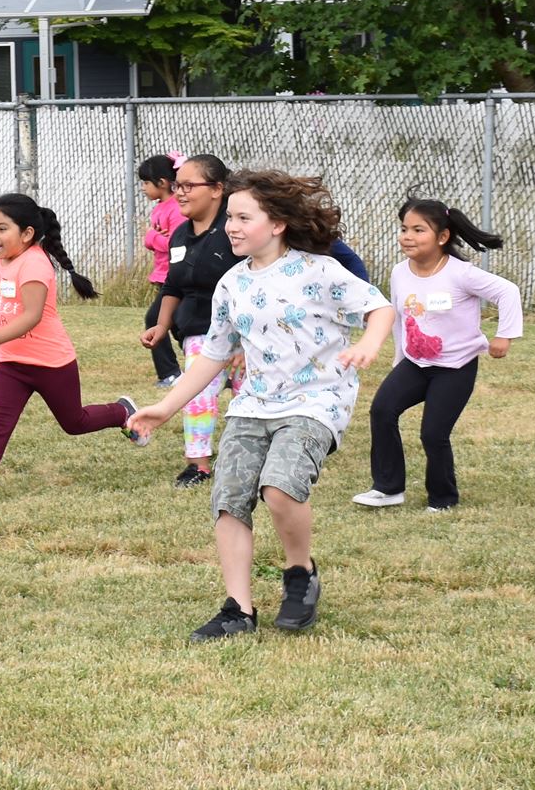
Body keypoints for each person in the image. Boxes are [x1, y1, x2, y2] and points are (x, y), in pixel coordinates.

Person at [129, 172, 392, 638]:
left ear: (277, 224)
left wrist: (370, 343)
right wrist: (165, 407)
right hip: (254, 404)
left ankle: (299, 574)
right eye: (229, 216)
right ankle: (238, 610)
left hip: (317, 401)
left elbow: (379, 307)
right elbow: (213, 353)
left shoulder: (319, 270)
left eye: (242, 217)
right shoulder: (232, 283)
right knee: (229, 498)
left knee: (279, 489)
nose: (230, 226)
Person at [0, 194, 146, 512]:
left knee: (74, 423)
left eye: (2, 228)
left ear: (27, 234)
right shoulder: (2, 259)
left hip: (51, 363)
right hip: (12, 363)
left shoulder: (35, 262)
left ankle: (121, 412)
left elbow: (31, 316)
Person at [354, 198, 522, 512]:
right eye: (404, 229)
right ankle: (388, 488)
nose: (407, 236)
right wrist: (399, 360)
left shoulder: (461, 274)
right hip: (416, 364)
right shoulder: (399, 272)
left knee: (433, 433)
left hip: (455, 368)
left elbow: (507, 291)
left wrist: (504, 336)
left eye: (419, 230)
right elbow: (401, 318)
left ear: (442, 237)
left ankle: (443, 498)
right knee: (382, 410)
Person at [143, 153, 234, 487]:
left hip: (243, 332)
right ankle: (199, 465)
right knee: (196, 393)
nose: (179, 192)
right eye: (177, 185)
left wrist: (241, 343)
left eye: (188, 186)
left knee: (247, 398)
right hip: (199, 331)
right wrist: (163, 325)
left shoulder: (235, 230)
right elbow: (173, 284)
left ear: (216, 190)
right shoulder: (180, 234)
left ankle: (252, 457)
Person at [137, 153, 186, 386]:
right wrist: (156, 237)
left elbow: (175, 242)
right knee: (178, 324)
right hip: (162, 275)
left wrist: (151, 236)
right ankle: (206, 366)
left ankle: (170, 373)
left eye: (146, 183)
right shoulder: (159, 208)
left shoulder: (176, 208)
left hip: (174, 277)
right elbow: (160, 240)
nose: (144, 188)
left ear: (163, 183)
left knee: (155, 319)